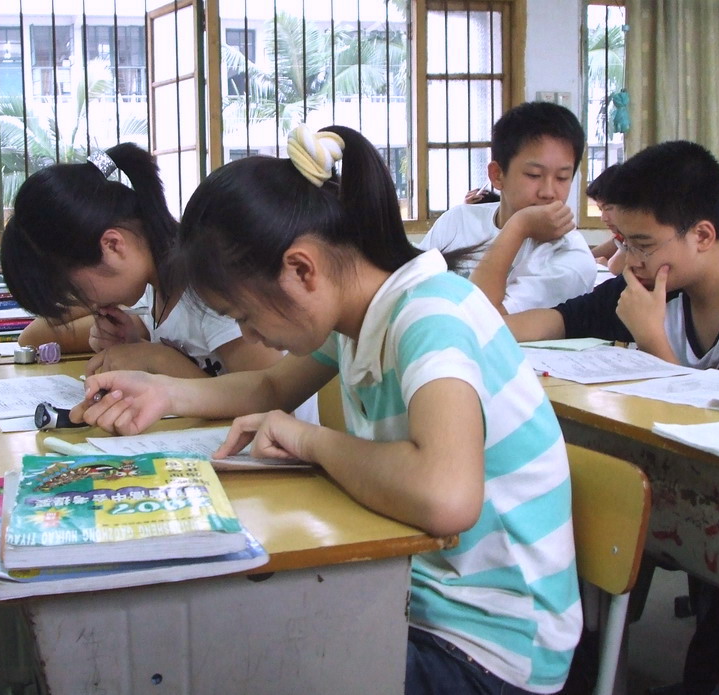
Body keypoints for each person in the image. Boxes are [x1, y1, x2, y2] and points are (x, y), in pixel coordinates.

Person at [71, 124, 582, 694]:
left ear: (301, 269)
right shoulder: (357, 315)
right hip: (417, 598)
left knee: (238, 663)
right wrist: (163, 391)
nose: (246, 331)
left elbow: (447, 497)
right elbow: (268, 389)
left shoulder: (431, 315)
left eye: (242, 313)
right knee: (225, 635)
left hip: (490, 648)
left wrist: (309, 441)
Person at [504, 140, 719, 695]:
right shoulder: (648, 287)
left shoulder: (651, 307)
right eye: (624, 242)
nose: (629, 261)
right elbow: (512, 327)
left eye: (644, 244)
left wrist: (653, 341)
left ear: (702, 235)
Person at [0, 143, 284, 380]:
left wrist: (157, 360)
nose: (90, 307)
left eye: (81, 293)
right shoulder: (157, 285)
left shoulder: (208, 286)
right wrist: (135, 344)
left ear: (113, 246)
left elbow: (269, 394)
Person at [418, 101, 597, 315]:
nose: (548, 192)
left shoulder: (571, 258)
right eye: (534, 175)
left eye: (562, 178)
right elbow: (409, 290)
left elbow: (482, 319)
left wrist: (519, 227)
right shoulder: (457, 221)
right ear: (497, 175)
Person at [586, 164, 625, 275]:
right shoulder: (622, 236)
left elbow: (615, 267)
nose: (603, 218)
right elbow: (589, 256)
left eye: (608, 208)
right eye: (600, 209)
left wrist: (606, 265)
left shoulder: (639, 236)